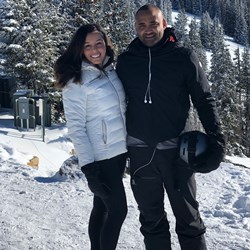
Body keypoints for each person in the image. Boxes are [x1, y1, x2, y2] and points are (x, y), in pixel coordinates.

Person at [116, 4, 225, 250]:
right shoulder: (126, 62)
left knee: (189, 222)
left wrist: (217, 141)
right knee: (151, 222)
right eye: (141, 25)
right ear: (135, 27)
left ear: (164, 23)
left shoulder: (183, 57)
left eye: (153, 23)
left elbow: (204, 100)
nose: (148, 30)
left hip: (178, 154)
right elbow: (113, 106)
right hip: (140, 153)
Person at [54, 23, 127, 250]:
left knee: (102, 207)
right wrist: (89, 168)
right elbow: (76, 128)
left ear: (106, 44)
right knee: (118, 210)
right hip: (101, 156)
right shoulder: (76, 82)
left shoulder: (110, 70)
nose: (95, 50)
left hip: (119, 152)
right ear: (80, 49)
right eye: (88, 46)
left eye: (99, 43)